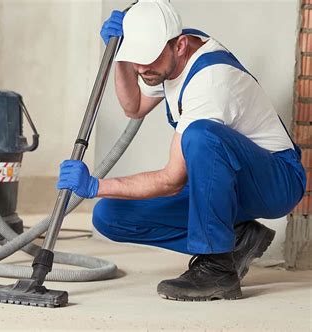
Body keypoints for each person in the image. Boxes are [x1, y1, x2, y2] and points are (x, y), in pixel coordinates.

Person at [56, 0, 306, 301]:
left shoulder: (211, 83)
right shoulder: (165, 58)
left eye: (147, 58)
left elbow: (172, 179)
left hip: (276, 181)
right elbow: (133, 106)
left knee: (200, 137)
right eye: (137, 59)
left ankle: (217, 268)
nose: (142, 68)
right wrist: (119, 56)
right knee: (110, 215)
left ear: (180, 45)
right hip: (225, 181)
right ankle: (237, 238)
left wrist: (96, 185)